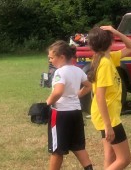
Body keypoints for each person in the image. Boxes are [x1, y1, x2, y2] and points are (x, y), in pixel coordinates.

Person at [87, 26, 131, 170]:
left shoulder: (106, 58)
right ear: (110, 42)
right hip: (108, 118)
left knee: (110, 154)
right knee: (124, 159)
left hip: (106, 115)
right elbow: (100, 97)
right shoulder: (105, 64)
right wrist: (108, 126)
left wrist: (115, 32)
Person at [46, 40, 93, 170]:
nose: (50, 60)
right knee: (78, 146)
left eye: (51, 57)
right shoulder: (77, 70)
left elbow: (58, 91)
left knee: (57, 149)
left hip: (61, 113)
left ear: (61, 57)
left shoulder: (59, 72)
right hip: (76, 112)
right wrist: (76, 95)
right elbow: (89, 85)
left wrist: (48, 102)